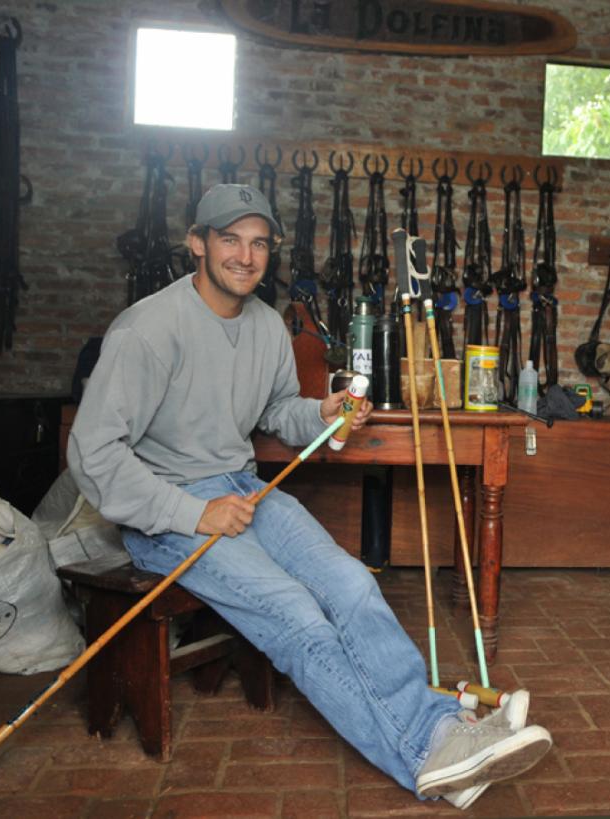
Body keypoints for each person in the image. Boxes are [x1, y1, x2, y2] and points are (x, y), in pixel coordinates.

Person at [67, 183, 551, 808]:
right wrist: (194, 512)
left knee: (351, 585)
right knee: (296, 615)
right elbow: (93, 452)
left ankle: (441, 732)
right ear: (197, 244)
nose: (246, 255)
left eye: (259, 243)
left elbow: (276, 411)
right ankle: (426, 756)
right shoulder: (147, 329)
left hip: (243, 488)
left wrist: (323, 413)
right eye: (230, 239)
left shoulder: (268, 325)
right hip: (167, 510)